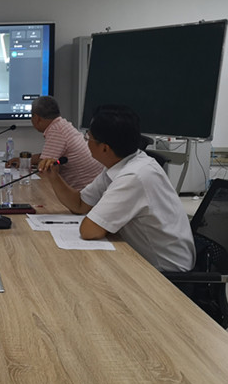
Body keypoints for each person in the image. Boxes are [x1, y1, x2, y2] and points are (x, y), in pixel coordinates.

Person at [38, 105, 195, 272]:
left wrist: (99, 221)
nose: (86, 141)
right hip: (142, 259)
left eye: (88, 137)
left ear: (105, 148)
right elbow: (80, 204)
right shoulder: (120, 164)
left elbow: (89, 230)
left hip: (167, 274)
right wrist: (54, 177)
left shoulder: (134, 176)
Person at [7, 96, 103, 190]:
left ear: (37, 118)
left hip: (82, 192)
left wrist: (25, 166)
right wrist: (26, 160)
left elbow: (44, 168)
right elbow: (46, 158)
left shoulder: (56, 131)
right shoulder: (62, 125)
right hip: (92, 187)